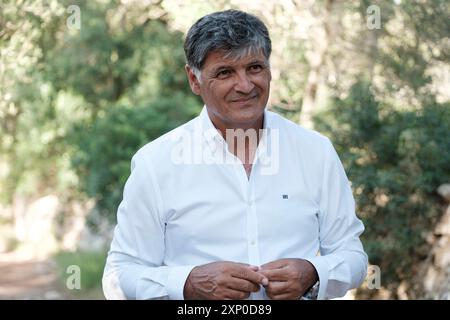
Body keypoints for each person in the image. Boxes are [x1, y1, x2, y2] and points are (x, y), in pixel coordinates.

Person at [102, 9, 368, 300]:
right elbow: (119, 276)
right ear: (194, 79)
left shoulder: (316, 152)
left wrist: (314, 273)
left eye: (254, 67)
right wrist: (187, 284)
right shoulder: (156, 163)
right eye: (225, 72)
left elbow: (352, 256)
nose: (245, 85)